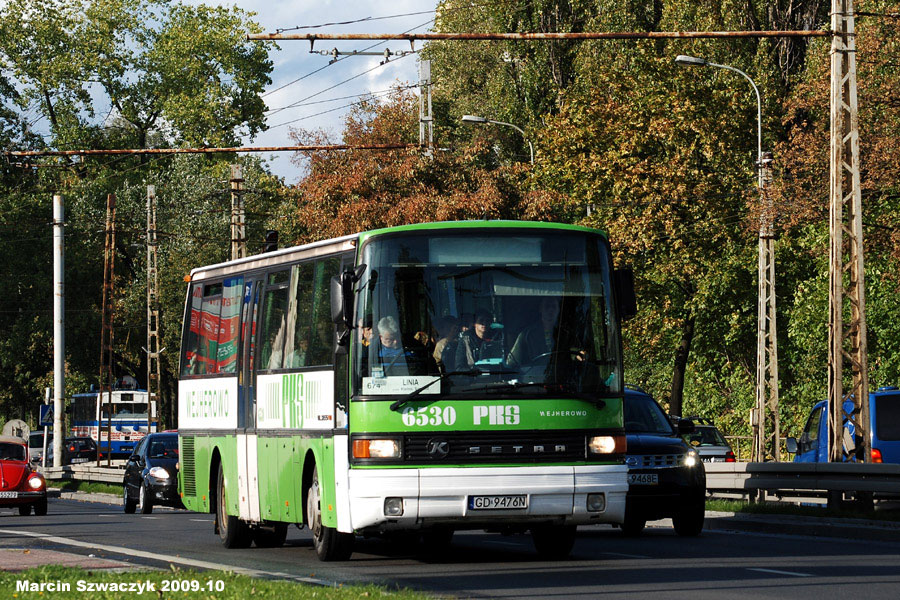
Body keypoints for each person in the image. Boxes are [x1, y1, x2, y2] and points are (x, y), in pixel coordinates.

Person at [507, 297, 561, 367]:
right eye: (547, 306)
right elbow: (512, 362)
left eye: (554, 306)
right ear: (540, 309)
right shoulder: (526, 335)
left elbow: (576, 355)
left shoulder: (567, 333)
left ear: (559, 310)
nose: (550, 310)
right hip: (534, 376)